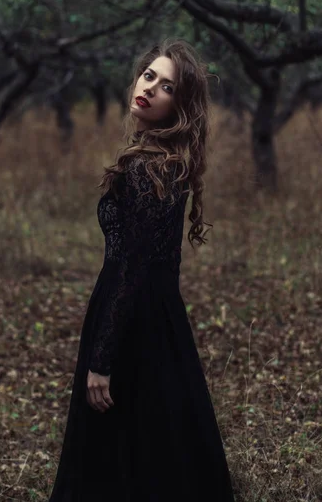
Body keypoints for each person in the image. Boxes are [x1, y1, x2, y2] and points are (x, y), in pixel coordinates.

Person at [48, 39, 235, 501]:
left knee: (124, 449)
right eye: (149, 75)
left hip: (132, 320)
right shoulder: (167, 163)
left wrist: (102, 359)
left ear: (181, 105)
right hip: (156, 317)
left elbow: (131, 268)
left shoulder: (149, 168)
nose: (150, 88)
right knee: (154, 445)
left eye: (167, 86)